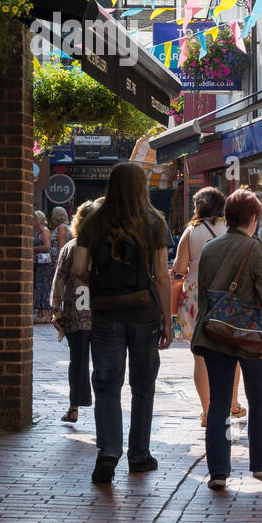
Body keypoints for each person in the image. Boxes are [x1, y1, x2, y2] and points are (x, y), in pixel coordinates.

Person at [72, 162, 173, 484]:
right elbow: (162, 276)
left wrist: (100, 281)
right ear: (141, 187)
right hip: (145, 315)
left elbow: (78, 269)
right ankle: (139, 455)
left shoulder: (93, 222)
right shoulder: (155, 221)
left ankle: (108, 452)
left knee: (106, 386)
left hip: (106, 314)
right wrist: (168, 323)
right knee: (142, 388)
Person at [193, 188, 262, 490]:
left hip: (216, 334)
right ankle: (261, 463)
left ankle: (218, 470)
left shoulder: (210, 248)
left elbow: (203, 294)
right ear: (253, 217)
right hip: (251, 335)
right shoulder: (255, 248)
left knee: (218, 402)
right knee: (258, 397)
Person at [173, 187, 245, 426]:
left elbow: (180, 268)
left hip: (196, 297)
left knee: (200, 357)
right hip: (228, 296)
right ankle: (233, 402)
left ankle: (207, 412)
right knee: (231, 353)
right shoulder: (233, 229)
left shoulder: (191, 231)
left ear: (198, 207)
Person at [51, 199, 101, 422]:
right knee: (103, 363)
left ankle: (74, 408)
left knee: (77, 361)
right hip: (101, 314)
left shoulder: (71, 247)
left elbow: (59, 279)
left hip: (75, 314)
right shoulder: (104, 248)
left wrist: (55, 309)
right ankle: (105, 405)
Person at [33, 210, 53, 324]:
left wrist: (34, 249)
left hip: (45, 264)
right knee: (39, 286)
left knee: (45, 287)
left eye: (33, 220)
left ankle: (47, 314)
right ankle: (40, 314)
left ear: (37, 220)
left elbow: (47, 247)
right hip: (39, 264)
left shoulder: (45, 231)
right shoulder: (38, 232)